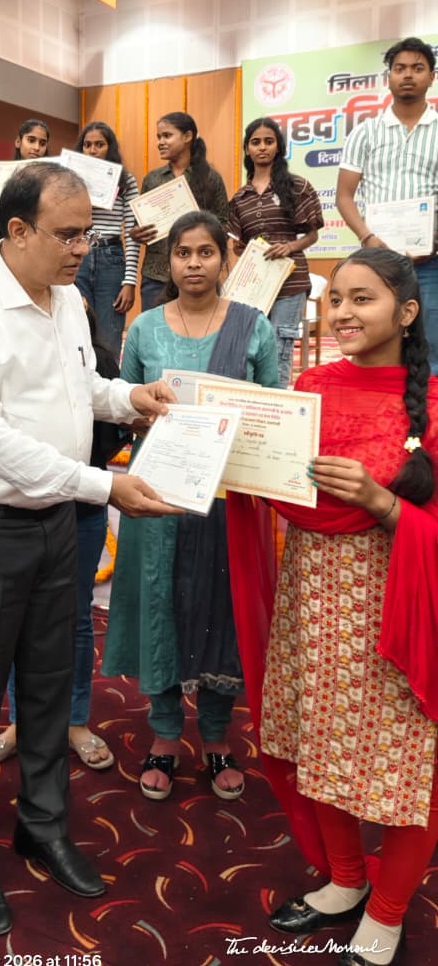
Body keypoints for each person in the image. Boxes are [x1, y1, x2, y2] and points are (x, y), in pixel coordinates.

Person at [0, 162, 179, 937]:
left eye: (88, 233)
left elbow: (81, 390)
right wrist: (102, 487)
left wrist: (130, 399)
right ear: (16, 229)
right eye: (68, 235)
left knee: (48, 687)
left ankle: (43, 823)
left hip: (54, 527)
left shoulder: (66, 300)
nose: (82, 250)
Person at [233, 248, 438, 966]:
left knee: (406, 772)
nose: (344, 312)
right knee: (319, 746)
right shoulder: (309, 390)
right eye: (337, 298)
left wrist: (384, 505)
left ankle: (386, 915)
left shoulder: (434, 404)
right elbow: (278, 483)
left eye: (363, 299)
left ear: (406, 313)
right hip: (314, 603)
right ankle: (346, 880)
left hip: (398, 614)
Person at [102, 211, 279, 803]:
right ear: (169, 260)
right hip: (159, 496)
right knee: (161, 606)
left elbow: (275, 408)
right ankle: (163, 734)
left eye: (206, 252)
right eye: (183, 253)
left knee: (221, 607)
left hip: (231, 499)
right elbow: (126, 405)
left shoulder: (253, 327)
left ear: (225, 259)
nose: (195, 263)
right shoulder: (145, 328)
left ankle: (217, 735)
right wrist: (144, 417)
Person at [0, 302, 128, 771]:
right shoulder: (14, 356)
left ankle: (74, 719)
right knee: (19, 618)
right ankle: (20, 720)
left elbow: (111, 436)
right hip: (22, 506)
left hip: (83, 509)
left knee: (75, 617)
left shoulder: (98, 362)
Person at [336, 36, 438, 373]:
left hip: (431, 263)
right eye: (400, 68)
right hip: (377, 262)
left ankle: (428, 407)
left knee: (432, 347)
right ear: (388, 77)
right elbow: (344, 196)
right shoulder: (365, 132)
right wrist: (367, 238)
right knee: (376, 347)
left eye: (417, 68)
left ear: (431, 77)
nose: (408, 74)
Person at [228, 117, 324, 387]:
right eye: (255, 142)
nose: (262, 147)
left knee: (280, 346)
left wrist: (289, 247)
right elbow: (237, 243)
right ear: (247, 149)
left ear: (278, 147)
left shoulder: (297, 186)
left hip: (290, 281)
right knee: (252, 345)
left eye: (268, 141)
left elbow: (312, 234)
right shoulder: (240, 198)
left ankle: (278, 403)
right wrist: (242, 249)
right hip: (255, 285)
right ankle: (255, 401)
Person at [130, 112, 230, 311]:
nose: (160, 142)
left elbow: (224, 225)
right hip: (156, 276)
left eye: (167, 136)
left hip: (197, 275)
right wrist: (136, 234)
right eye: (158, 137)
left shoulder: (211, 178)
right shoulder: (152, 179)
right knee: (155, 328)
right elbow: (137, 224)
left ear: (187, 136)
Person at [73, 121, 140, 360]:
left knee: (109, 337)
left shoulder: (126, 180)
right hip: (78, 256)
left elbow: (132, 231)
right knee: (78, 331)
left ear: (109, 147)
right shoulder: (70, 181)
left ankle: (109, 381)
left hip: (111, 258)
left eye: (99, 144)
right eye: (87, 145)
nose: (92, 150)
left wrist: (129, 281)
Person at [0, 117, 50, 248]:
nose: (37, 147)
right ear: (18, 142)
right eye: (31, 140)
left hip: (37, 250)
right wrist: (14, 221)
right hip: (3, 249)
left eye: (42, 143)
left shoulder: (49, 180)